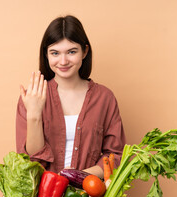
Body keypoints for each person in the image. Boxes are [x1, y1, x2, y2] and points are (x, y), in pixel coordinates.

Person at [16, 15, 126, 179]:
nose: (63, 61)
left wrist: (73, 177)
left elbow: (115, 156)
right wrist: (34, 114)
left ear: (84, 51)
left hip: (89, 195)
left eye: (71, 52)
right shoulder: (32, 97)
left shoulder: (104, 98)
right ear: (46, 55)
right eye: (55, 53)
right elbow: (30, 161)